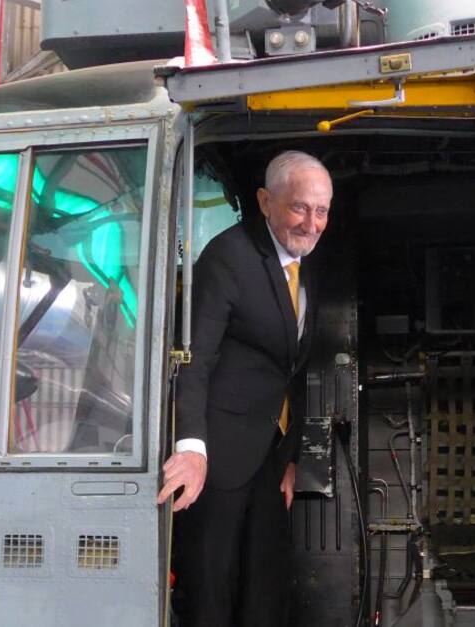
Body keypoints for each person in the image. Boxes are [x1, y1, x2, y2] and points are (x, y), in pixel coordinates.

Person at [159, 150, 333, 627]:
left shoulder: (305, 264)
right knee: (212, 587)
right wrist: (192, 449)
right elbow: (192, 358)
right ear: (264, 201)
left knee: (265, 587)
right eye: (300, 207)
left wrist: (293, 454)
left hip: (270, 455)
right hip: (219, 454)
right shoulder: (229, 256)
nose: (312, 223)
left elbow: (290, 369)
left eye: (321, 212)